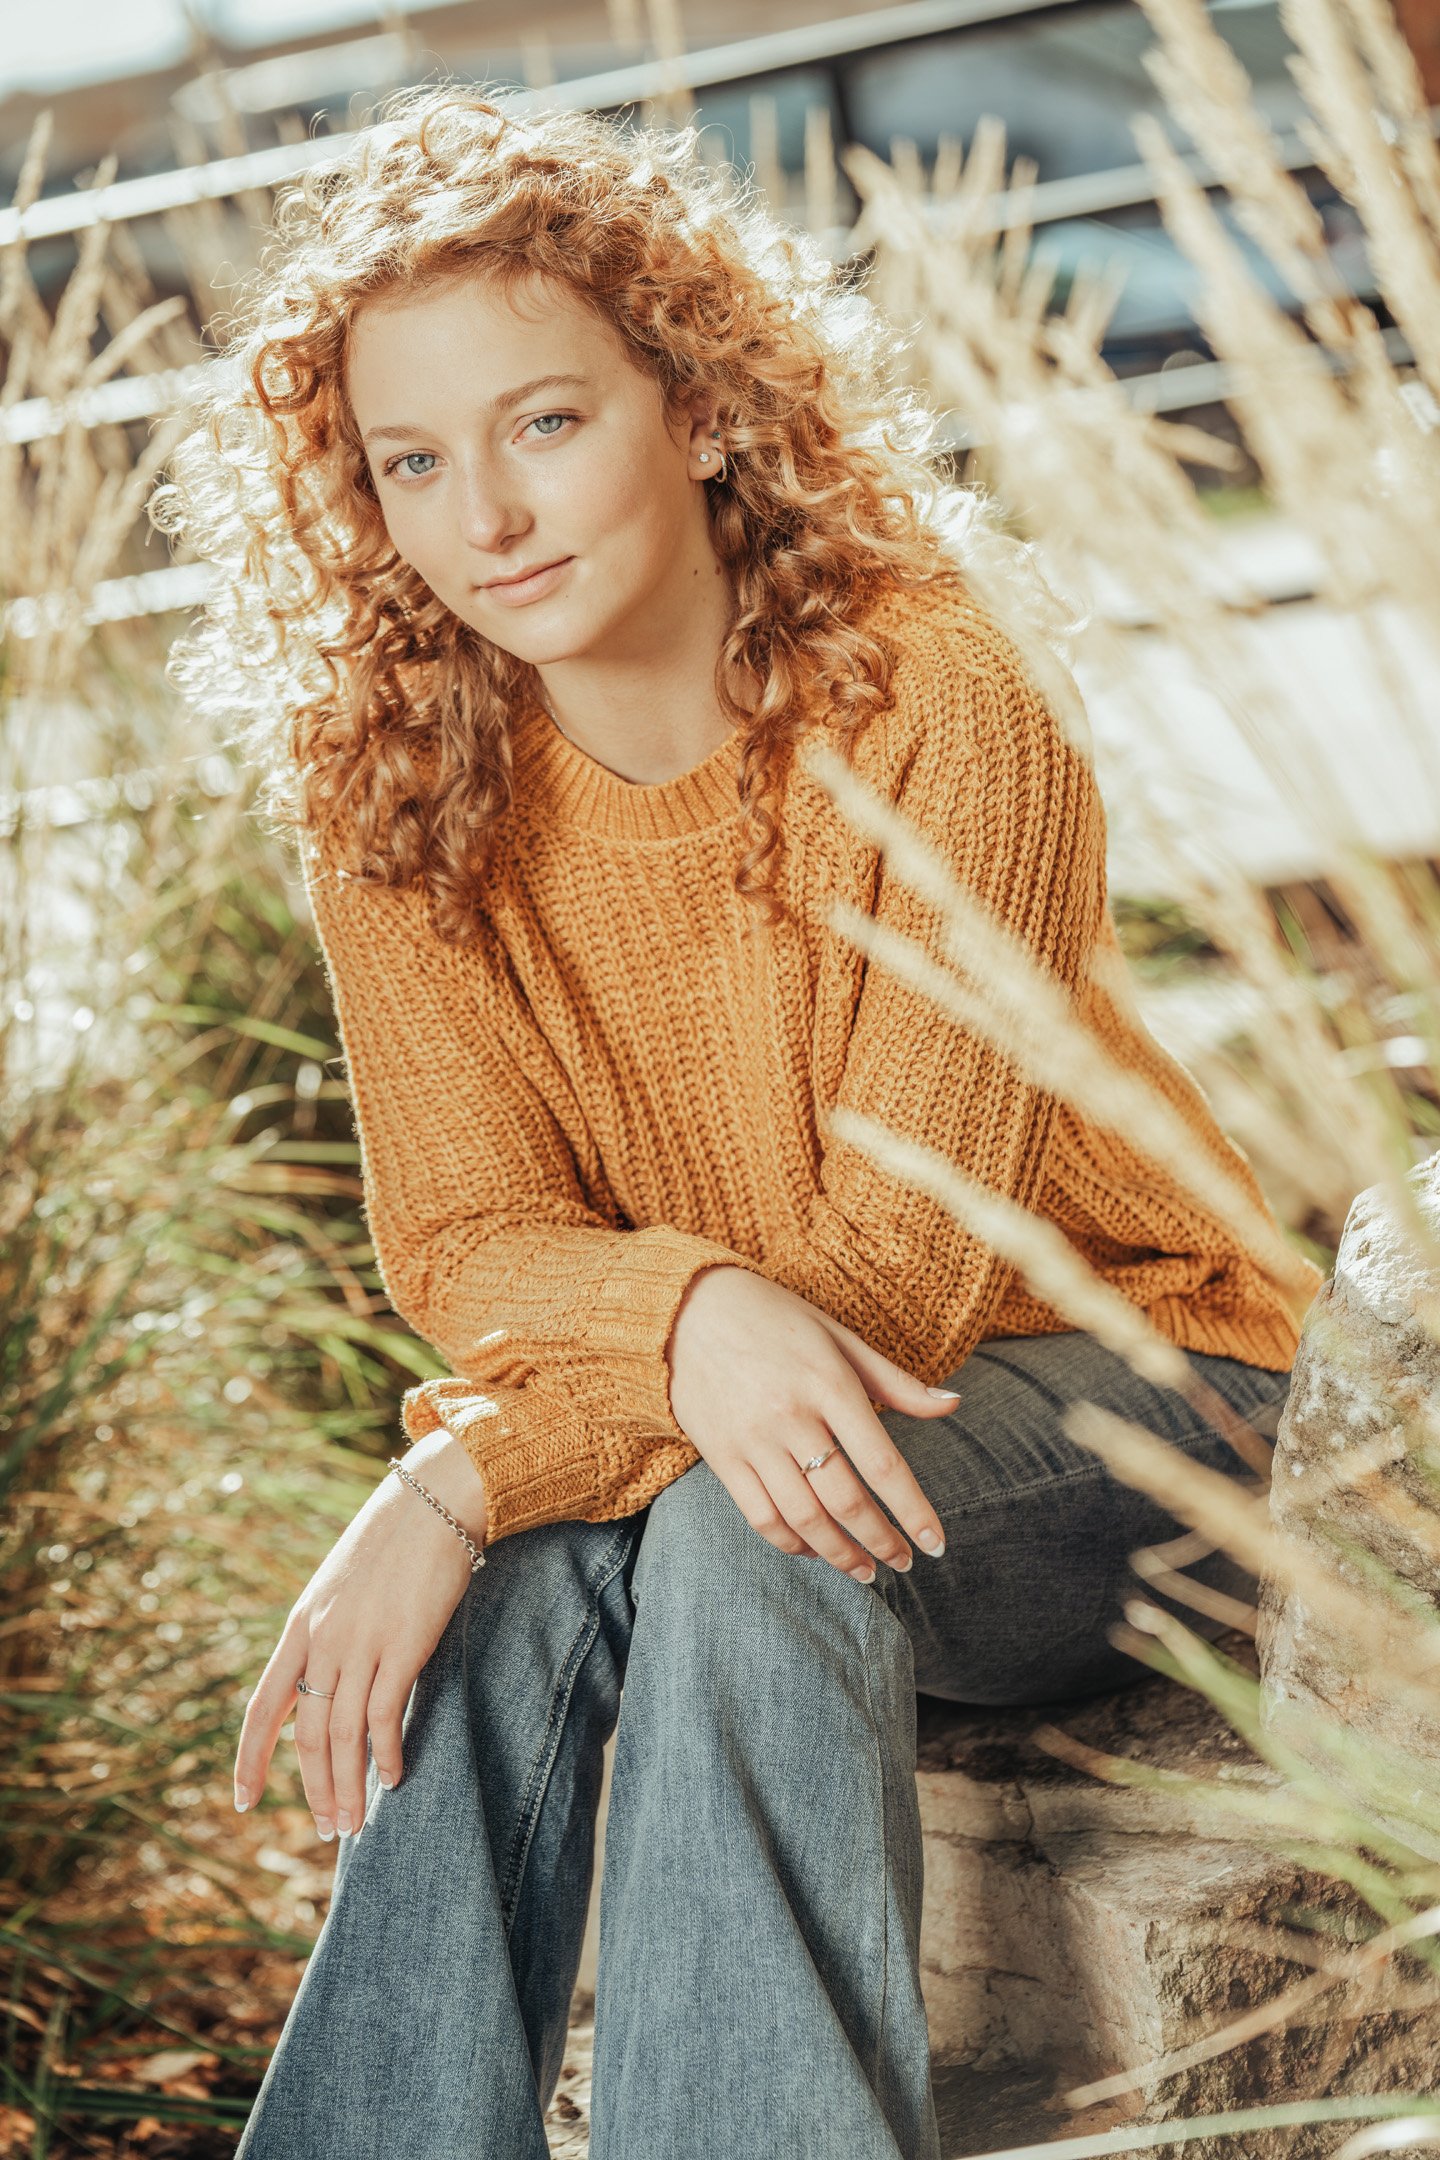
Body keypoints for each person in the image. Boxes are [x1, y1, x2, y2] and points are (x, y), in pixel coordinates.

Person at [157, 83, 1323, 2160]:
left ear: (695, 407)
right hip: (783, 1447)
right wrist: (660, 1347)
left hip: (1146, 1404)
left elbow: (897, 1276)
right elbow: (470, 1249)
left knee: (707, 1505)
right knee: (568, 1569)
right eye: (410, 463)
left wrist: (460, 1476)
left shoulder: (934, 694)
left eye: (542, 424)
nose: (484, 519)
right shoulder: (399, 802)